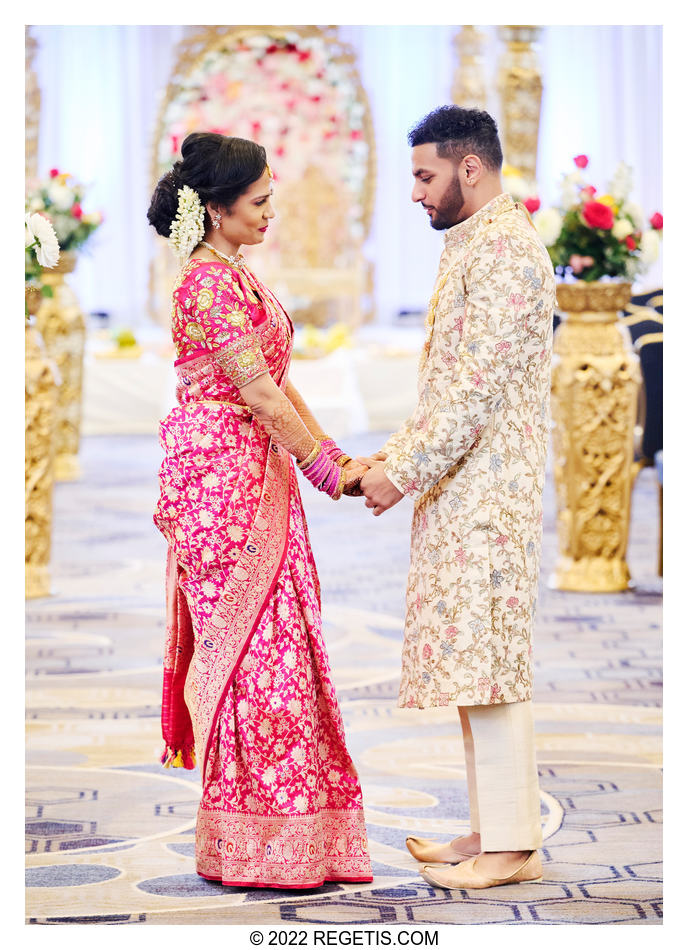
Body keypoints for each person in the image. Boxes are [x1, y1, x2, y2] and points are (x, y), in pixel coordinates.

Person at [147, 132, 373, 889]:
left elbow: (280, 384)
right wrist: (324, 470)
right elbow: (261, 395)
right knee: (255, 655)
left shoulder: (237, 277)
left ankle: (300, 836)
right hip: (221, 489)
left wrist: (334, 458)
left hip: (256, 470)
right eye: (261, 202)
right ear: (215, 209)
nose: (273, 212)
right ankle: (255, 842)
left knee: (285, 645)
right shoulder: (205, 287)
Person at [358, 106, 555, 889]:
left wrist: (400, 474)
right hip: (463, 483)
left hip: (490, 491)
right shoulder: (478, 241)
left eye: (424, 175)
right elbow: (447, 385)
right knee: (474, 660)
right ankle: (492, 827)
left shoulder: (506, 250)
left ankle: (514, 845)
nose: (415, 193)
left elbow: (472, 393)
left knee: (491, 662)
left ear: (469, 166)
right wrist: (397, 457)